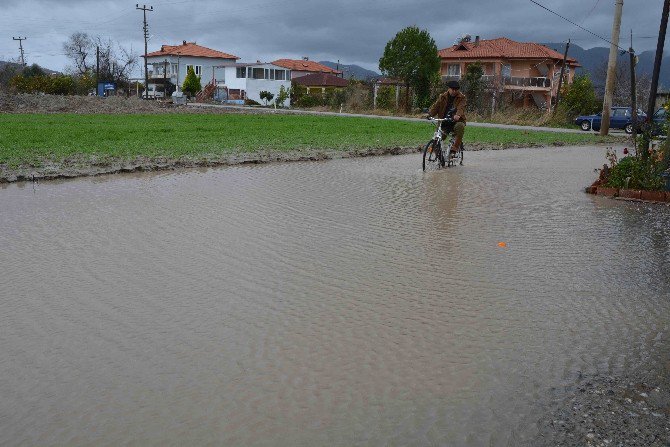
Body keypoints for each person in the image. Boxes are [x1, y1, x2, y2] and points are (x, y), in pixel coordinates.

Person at [428, 80, 467, 154]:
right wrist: (429, 114)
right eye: (452, 89)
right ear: (448, 89)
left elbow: (461, 107)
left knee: (460, 126)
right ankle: (439, 156)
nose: (454, 91)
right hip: (445, 121)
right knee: (438, 137)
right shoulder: (442, 97)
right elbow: (436, 107)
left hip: (456, 121)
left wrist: (458, 115)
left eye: (456, 89)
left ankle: (455, 147)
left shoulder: (462, 98)